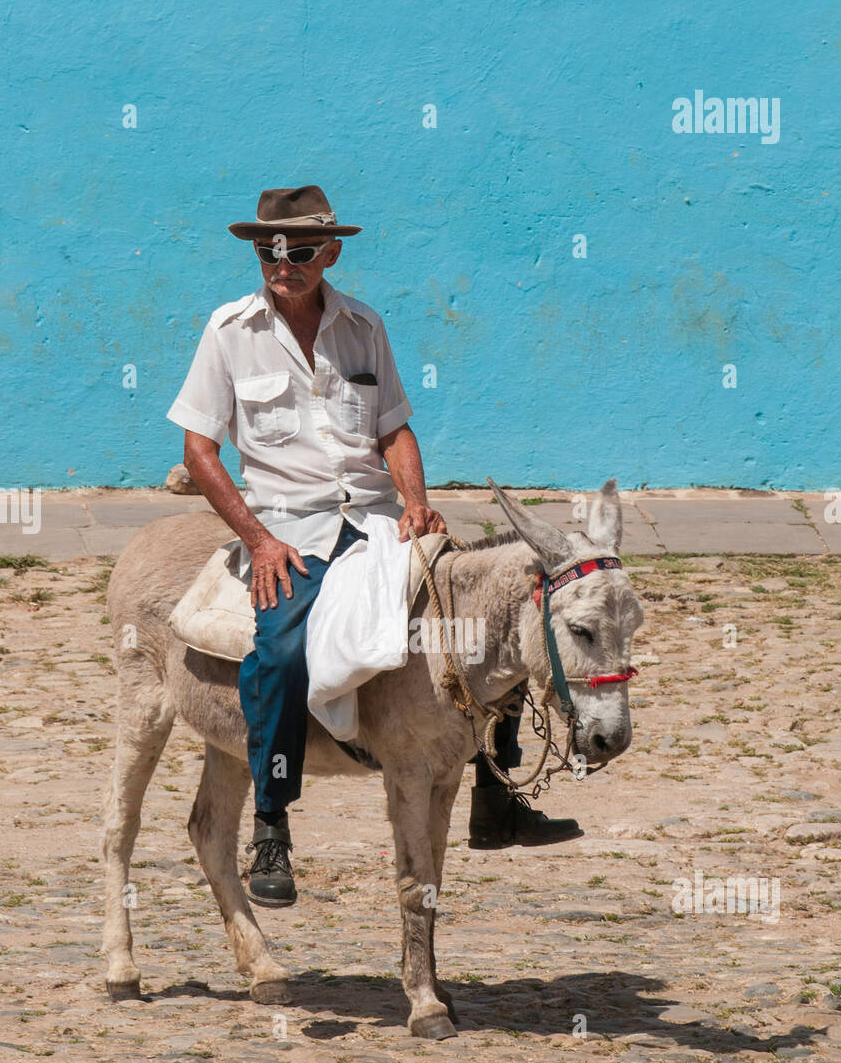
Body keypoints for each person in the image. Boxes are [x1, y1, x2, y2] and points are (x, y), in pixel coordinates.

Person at [167, 185, 580, 906]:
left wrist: (416, 501)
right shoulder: (228, 330)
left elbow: (392, 428)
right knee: (283, 648)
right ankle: (270, 820)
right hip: (290, 528)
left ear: (329, 252)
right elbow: (199, 448)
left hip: (379, 521)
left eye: (297, 250)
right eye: (267, 248)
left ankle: (497, 791)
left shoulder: (363, 327)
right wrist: (258, 541)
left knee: (489, 604)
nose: (280, 262)